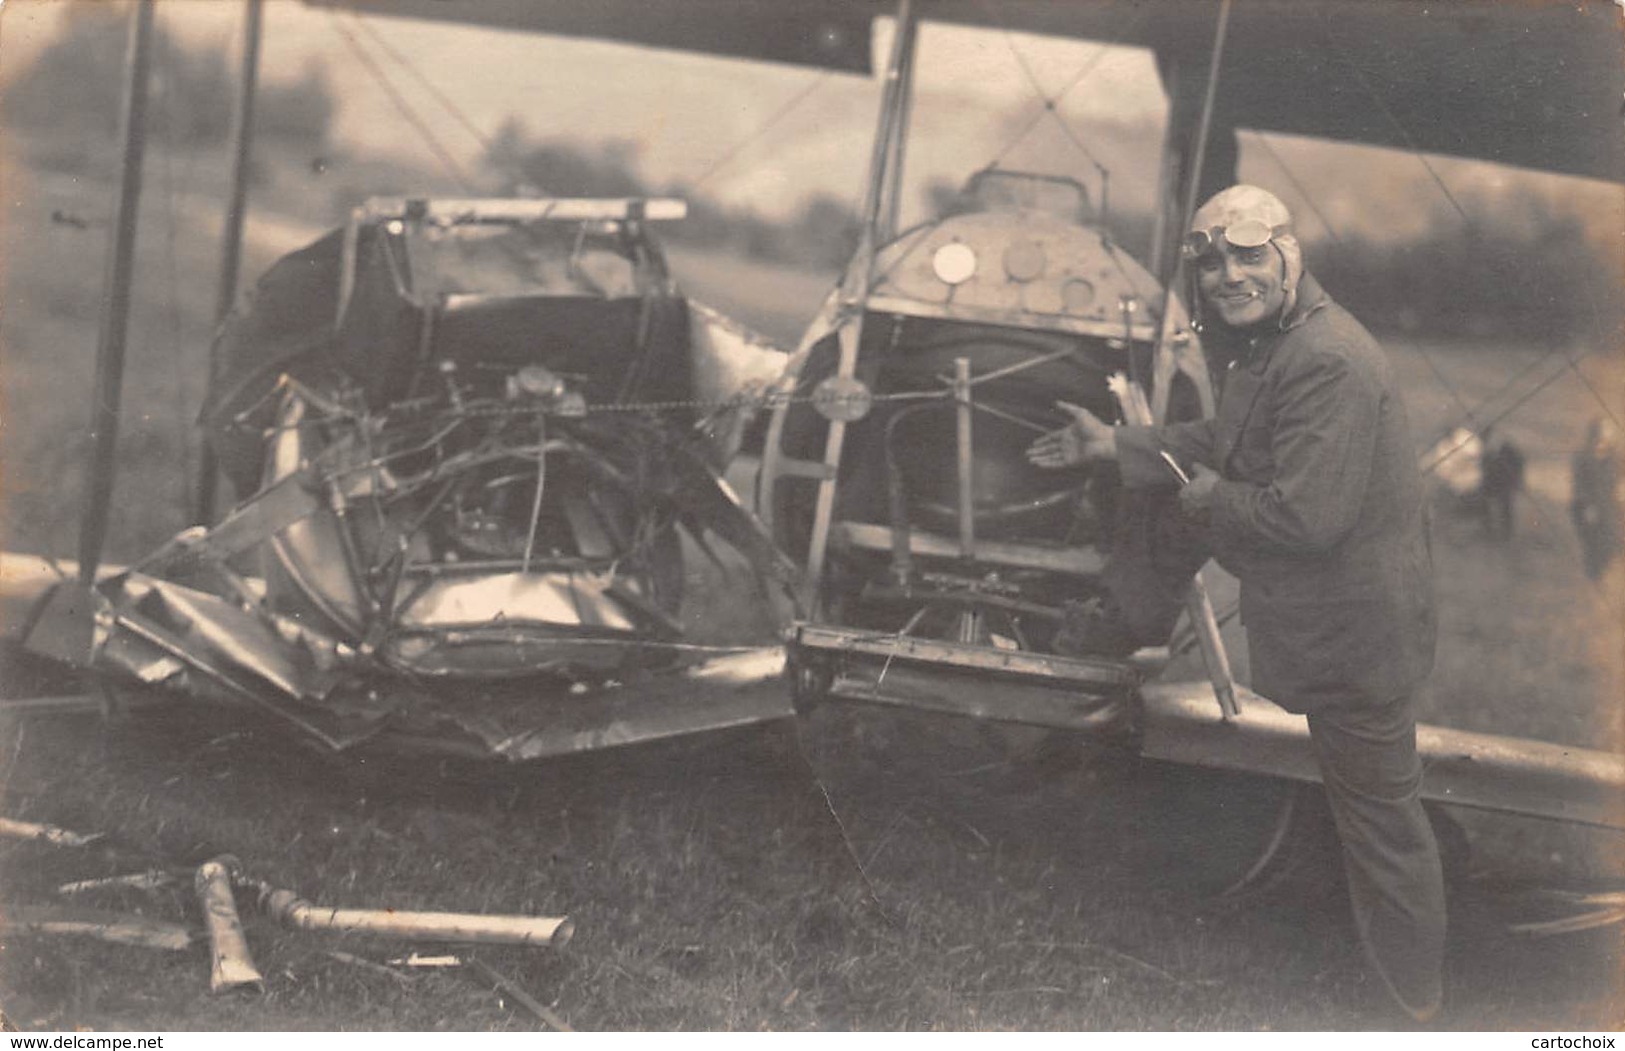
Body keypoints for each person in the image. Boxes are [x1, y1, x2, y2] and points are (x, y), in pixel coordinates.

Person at [1026, 185, 1446, 1023]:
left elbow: (1302, 515)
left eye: (1247, 254)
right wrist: (1110, 444)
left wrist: (1207, 498)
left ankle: (1415, 1014)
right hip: (1336, 622)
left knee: (1382, 828)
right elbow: (1219, 444)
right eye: (1210, 261)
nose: (1226, 276)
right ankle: (1106, 641)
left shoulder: (1326, 359)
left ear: (1290, 252)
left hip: (1354, 634)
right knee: (1373, 816)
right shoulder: (1276, 344)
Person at [1571, 419, 1621, 580]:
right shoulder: (1584, 457)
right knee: (1594, 542)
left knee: (1605, 541)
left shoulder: (1608, 456)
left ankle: (1596, 573)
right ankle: (1594, 573)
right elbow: (1581, 483)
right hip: (1588, 505)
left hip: (1601, 505)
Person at [1478, 425, 1525, 540]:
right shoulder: (1485, 449)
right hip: (1491, 482)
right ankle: (1488, 531)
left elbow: (1519, 463)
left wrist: (1518, 479)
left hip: (1505, 481)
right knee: (1486, 506)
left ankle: (1506, 533)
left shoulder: (1507, 447)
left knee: (1505, 507)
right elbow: (1484, 466)